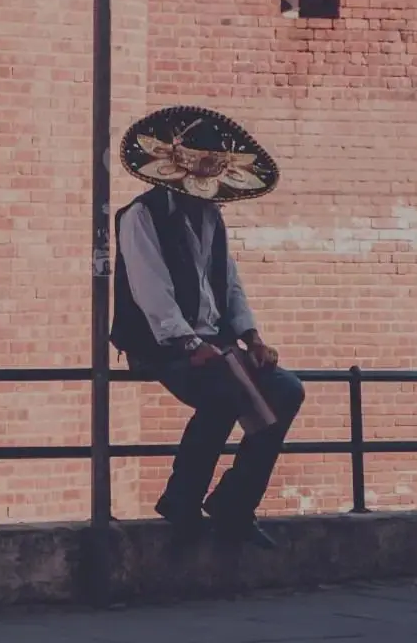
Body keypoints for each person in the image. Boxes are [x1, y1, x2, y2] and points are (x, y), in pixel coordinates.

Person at [109, 106, 307, 550]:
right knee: (223, 392)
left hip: (216, 343)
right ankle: (183, 500)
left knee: (287, 390)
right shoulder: (141, 216)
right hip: (160, 344)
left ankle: (234, 502)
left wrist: (251, 336)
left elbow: (228, 282)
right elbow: (149, 288)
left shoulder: (211, 218)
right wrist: (187, 341)